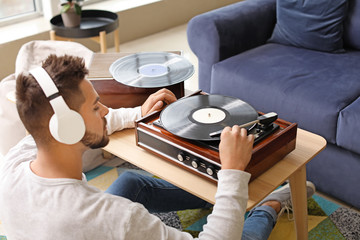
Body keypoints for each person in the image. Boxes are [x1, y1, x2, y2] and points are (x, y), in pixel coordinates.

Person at [0, 54, 315, 240]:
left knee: (128, 182)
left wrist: (141, 114)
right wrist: (232, 173)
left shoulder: (13, 163)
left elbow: (89, 127)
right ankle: (269, 206)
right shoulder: (113, 218)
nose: (106, 112)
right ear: (66, 127)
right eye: (96, 107)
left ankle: (218, 200)